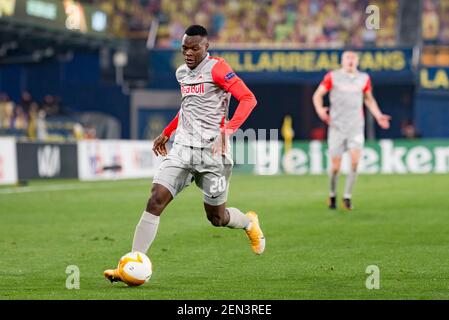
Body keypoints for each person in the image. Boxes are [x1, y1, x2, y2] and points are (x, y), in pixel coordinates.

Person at [104, 25, 265, 283]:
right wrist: (167, 132)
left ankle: (248, 223)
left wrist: (227, 131)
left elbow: (248, 98)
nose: (188, 53)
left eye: (194, 48)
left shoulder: (218, 68)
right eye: (184, 48)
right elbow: (187, 108)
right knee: (156, 199)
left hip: (213, 154)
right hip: (183, 149)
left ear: (206, 47)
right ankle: (131, 266)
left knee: (217, 217)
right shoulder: (182, 73)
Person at [312, 51, 390, 210]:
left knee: (354, 162)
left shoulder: (364, 78)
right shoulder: (332, 76)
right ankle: (332, 194)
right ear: (342, 61)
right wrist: (320, 110)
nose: (350, 61)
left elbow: (368, 99)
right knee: (335, 167)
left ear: (357, 62)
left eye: (353, 58)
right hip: (337, 127)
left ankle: (347, 197)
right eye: (348, 58)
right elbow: (317, 95)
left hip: (355, 127)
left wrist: (378, 115)